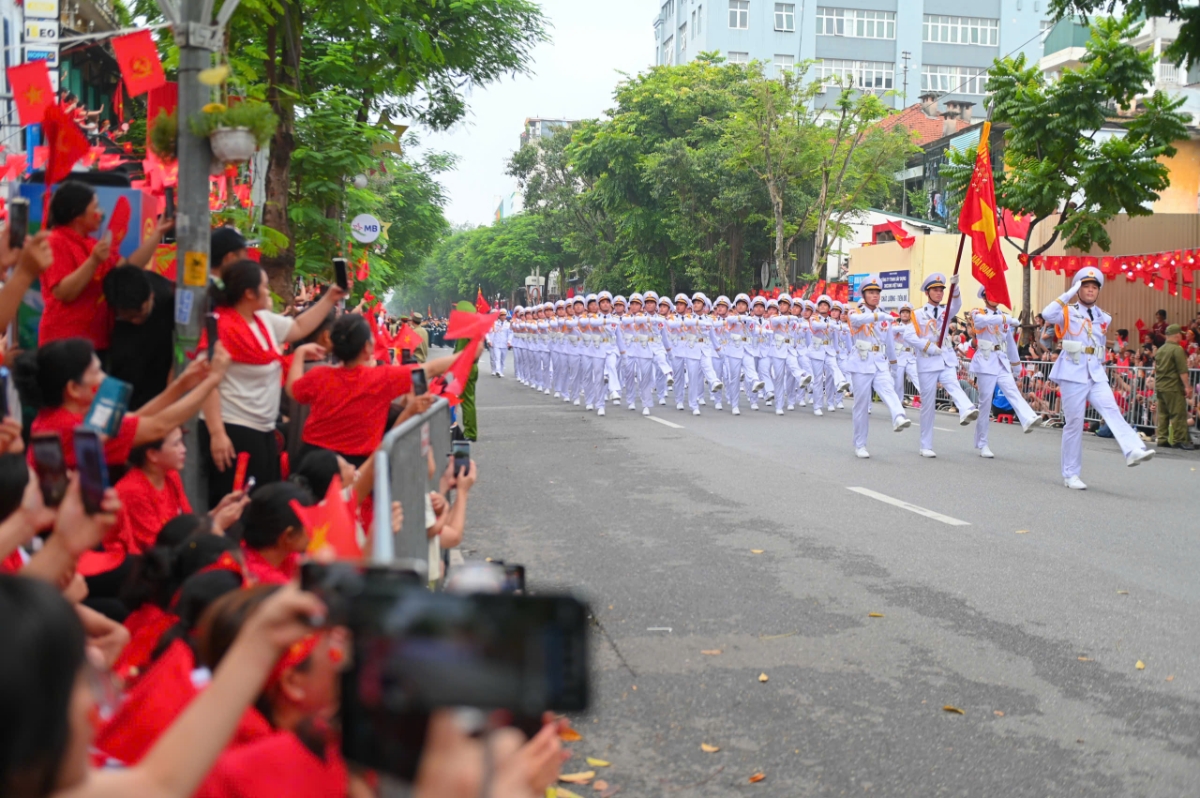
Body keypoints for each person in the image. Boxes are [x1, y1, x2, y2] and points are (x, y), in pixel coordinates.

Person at [199, 260, 345, 508]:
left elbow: (298, 327)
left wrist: (330, 298)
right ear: (249, 293)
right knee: (236, 506)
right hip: (233, 430)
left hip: (263, 429)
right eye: (265, 286)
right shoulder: (222, 327)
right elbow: (208, 382)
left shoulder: (262, 320)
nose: (268, 292)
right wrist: (217, 434)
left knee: (262, 504)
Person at [16, 337, 230, 470]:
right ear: (73, 389)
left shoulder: (60, 416)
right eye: (96, 372)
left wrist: (181, 385)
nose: (104, 378)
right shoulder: (71, 427)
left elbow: (135, 420)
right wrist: (214, 379)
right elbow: (158, 427)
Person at [1041, 266, 1155, 489]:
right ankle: (1071, 474)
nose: (1091, 290)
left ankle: (1133, 449)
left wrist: (1102, 366)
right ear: (1078, 289)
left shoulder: (1104, 317)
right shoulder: (1067, 311)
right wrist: (1069, 292)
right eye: (1085, 286)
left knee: (1112, 409)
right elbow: (1047, 314)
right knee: (1074, 423)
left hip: (1094, 371)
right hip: (1072, 371)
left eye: (1094, 287)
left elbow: (1100, 345)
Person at [287, 313, 452, 465]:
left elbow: (292, 390)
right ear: (367, 347)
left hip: (312, 463)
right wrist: (465, 354)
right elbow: (430, 369)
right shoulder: (381, 378)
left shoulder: (319, 375)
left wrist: (299, 353)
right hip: (356, 467)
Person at [40, 181, 174, 350]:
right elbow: (64, 292)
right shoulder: (55, 241)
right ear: (77, 215)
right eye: (95, 207)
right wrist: (93, 261)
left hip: (97, 340)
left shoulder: (92, 244)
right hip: (65, 343)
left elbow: (127, 267)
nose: (101, 212)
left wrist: (158, 233)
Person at [903, 273, 979, 459]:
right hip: (928, 361)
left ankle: (966, 409)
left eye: (941, 290)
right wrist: (928, 346)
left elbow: (957, 305)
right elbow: (908, 336)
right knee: (928, 405)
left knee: (952, 383)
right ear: (927, 292)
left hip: (945, 357)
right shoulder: (918, 314)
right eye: (935, 290)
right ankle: (925, 445)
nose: (939, 293)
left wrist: (956, 288)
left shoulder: (946, 311)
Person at [968, 287, 1040, 458]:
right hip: (985, 361)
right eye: (992, 294)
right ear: (985, 297)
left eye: (997, 294)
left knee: (1012, 390)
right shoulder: (978, 313)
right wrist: (1005, 318)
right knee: (985, 403)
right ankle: (982, 443)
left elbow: (1010, 343)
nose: (995, 298)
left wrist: (1017, 366)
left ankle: (1027, 418)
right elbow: (981, 322)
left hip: (1001, 360)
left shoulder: (1004, 317)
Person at [844, 275, 911, 458]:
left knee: (888, 388)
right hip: (861, 362)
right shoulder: (855, 312)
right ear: (864, 295)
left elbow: (889, 342)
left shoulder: (884, 316)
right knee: (861, 406)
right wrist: (879, 316)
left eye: (877, 292)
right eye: (871, 292)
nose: (875, 296)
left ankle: (898, 416)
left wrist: (894, 364)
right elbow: (856, 321)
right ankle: (860, 444)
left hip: (879, 361)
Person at [103, 265, 177, 409]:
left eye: (140, 314)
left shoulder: (168, 297)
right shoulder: (111, 311)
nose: (136, 321)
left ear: (151, 296)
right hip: (123, 389)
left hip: (159, 388)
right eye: (129, 317)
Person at [239, 482, 315, 584]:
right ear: (288, 536)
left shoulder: (283, 554)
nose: (313, 529)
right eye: (308, 523)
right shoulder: (268, 584)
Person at [1155, 324, 1194, 450]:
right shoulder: (1177, 349)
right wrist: (1187, 386)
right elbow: (1182, 370)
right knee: (1178, 413)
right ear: (1177, 335)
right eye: (1180, 335)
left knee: (1163, 414)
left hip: (1160, 386)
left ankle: (1162, 438)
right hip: (1173, 386)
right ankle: (1179, 439)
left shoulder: (1160, 350)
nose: (1181, 337)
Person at [453, 300, 483, 439]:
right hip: (471, 367)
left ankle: (470, 432)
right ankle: (470, 430)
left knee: (466, 401)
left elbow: (459, 353)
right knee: (468, 400)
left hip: (465, 368)